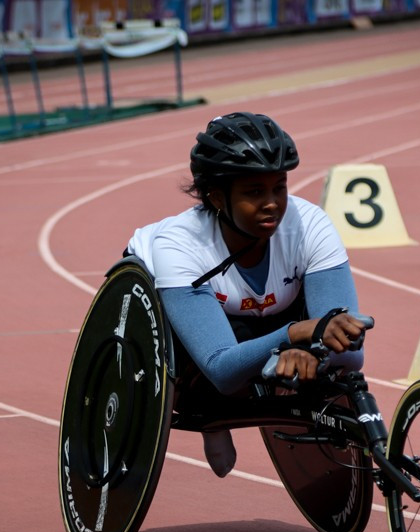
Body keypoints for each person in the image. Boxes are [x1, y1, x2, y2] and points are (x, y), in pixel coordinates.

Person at [126, 111, 366, 478]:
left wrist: (312, 350)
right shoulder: (178, 245)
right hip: (182, 318)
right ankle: (211, 417)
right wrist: (295, 336)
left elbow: (350, 352)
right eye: (255, 191)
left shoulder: (311, 225)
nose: (272, 203)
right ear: (217, 197)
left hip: (258, 319)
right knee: (213, 373)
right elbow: (222, 367)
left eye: (279, 187)